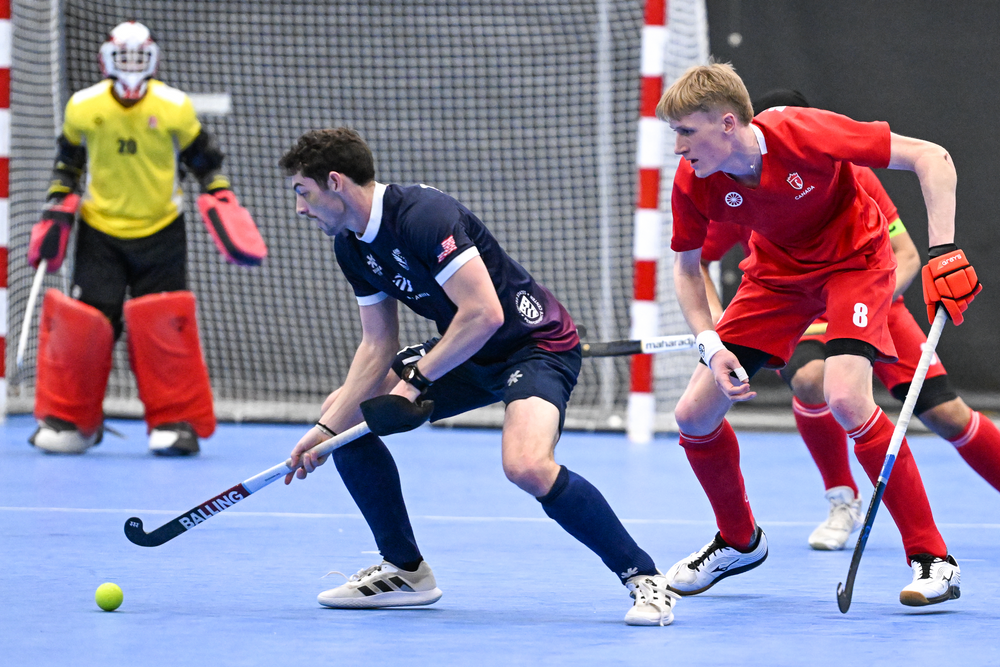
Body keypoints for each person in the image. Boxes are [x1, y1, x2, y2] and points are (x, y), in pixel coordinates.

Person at [278, 127, 677, 626]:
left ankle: (645, 576)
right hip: (464, 350)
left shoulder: (422, 215)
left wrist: (413, 382)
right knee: (347, 423)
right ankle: (405, 571)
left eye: (303, 192)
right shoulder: (351, 247)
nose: (300, 208)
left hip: (532, 345)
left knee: (527, 465)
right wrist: (326, 429)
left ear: (335, 182)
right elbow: (377, 343)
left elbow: (485, 313)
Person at [658, 63, 980, 607]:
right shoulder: (695, 180)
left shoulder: (802, 131)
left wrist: (943, 251)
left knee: (846, 397)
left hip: (855, 263)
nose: (678, 147)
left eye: (686, 131)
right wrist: (710, 345)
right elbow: (687, 269)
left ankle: (933, 559)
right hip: (775, 278)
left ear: (728, 123)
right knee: (692, 414)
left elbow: (933, 157)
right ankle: (739, 541)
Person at [26, 21, 267, 456]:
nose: (132, 64)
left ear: (152, 59)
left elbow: (204, 160)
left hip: (162, 230)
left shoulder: (174, 106)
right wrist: (57, 203)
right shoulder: (83, 106)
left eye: (140, 56)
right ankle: (73, 420)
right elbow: (68, 162)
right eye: (124, 55)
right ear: (107, 59)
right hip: (100, 231)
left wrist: (221, 197)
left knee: (163, 326)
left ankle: (175, 422)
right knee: (85, 325)